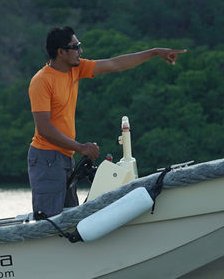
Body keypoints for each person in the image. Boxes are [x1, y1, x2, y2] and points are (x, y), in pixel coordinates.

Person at [28, 26, 186, 217]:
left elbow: (115, 64)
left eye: (80, 46)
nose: (80, 51)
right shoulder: (42, 81)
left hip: (65, 157)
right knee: (49, 220)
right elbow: (44, 128)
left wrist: (154, 52)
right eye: (76, 47)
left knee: (68, 218)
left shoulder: (74, 71)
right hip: (46, 159)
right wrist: (80, 147)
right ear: (61, 52)